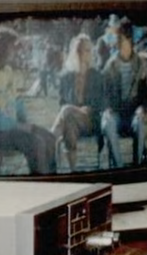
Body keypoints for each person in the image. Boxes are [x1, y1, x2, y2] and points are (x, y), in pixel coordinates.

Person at [0, 25, 57, 175]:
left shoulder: (8, 71)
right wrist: (22, 126)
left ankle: (52, 179)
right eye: (12, 48)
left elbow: (16, 102)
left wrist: (25, 121)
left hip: (13, 129)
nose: (15, 52)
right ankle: (40, 181)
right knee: (36, 143)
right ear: (1, 49)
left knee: (49, 138)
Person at [50, 33, 104, 173]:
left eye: (87, 50)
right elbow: (61, 102)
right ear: (74, 52)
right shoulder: (66, 77)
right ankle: (73, 170)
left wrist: (89, 109)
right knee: (68, 120)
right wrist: (71, 110)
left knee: (66, 110)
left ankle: (50, 139)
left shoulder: (96, 75)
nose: (83, 54)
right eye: (79, 50)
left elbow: (100, 103)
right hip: (72, 120)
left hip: (90, 119)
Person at [98, 21, 147, 167]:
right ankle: (119, 167)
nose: (124, 44)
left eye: (127, 39)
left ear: (131, 41)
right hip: (116, 114)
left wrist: (143, 108)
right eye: (121, 40)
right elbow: (104, 93)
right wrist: (107, 108)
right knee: (108, 122)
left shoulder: (140, 64)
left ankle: (138, 166)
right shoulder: (110, 66)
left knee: (140, 122)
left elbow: (146, 93)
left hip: (133, 114)